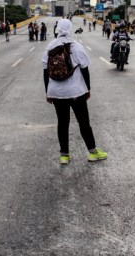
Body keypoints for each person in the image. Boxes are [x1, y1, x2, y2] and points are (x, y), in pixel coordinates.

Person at [42, 18, 107, 165]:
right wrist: (87, 89)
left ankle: (64, 155)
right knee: (84, 122)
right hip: (76, 92)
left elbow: (45, 72)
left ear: (57, 29)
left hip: (56, 93)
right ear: (70, 29)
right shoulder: (76, 46)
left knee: (62, 123)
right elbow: (84, 69)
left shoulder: (50, 47)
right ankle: (93, 152)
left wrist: (48, 92)